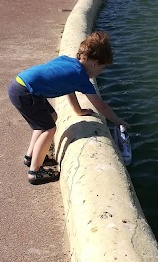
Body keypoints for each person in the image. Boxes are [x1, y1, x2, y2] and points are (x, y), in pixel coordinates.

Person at [7, 31, 131, 185]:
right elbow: (101, 106)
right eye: (102, 68)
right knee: (49, 129)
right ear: (94, 63)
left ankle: (31, 156)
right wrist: (119, 121)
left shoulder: (69, 63)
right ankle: (35, 171)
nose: (100, 72)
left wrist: (79, 112)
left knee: (50, 119)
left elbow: (69, 90)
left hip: (20, 86)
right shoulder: (81, 77)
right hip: (27, 93)